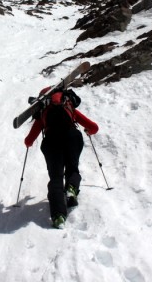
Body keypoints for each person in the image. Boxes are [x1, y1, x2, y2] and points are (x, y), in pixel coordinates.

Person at [24, 87, 99, 229]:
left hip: (51, 142)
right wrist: (87, 130)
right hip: (72, 136)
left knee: (56, 178)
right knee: (72, 167)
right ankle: (71, 188)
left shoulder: (43, 112)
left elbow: (28, 141)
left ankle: (58, 216)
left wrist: (31, 140)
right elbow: (94, 127)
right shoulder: (69, 107)